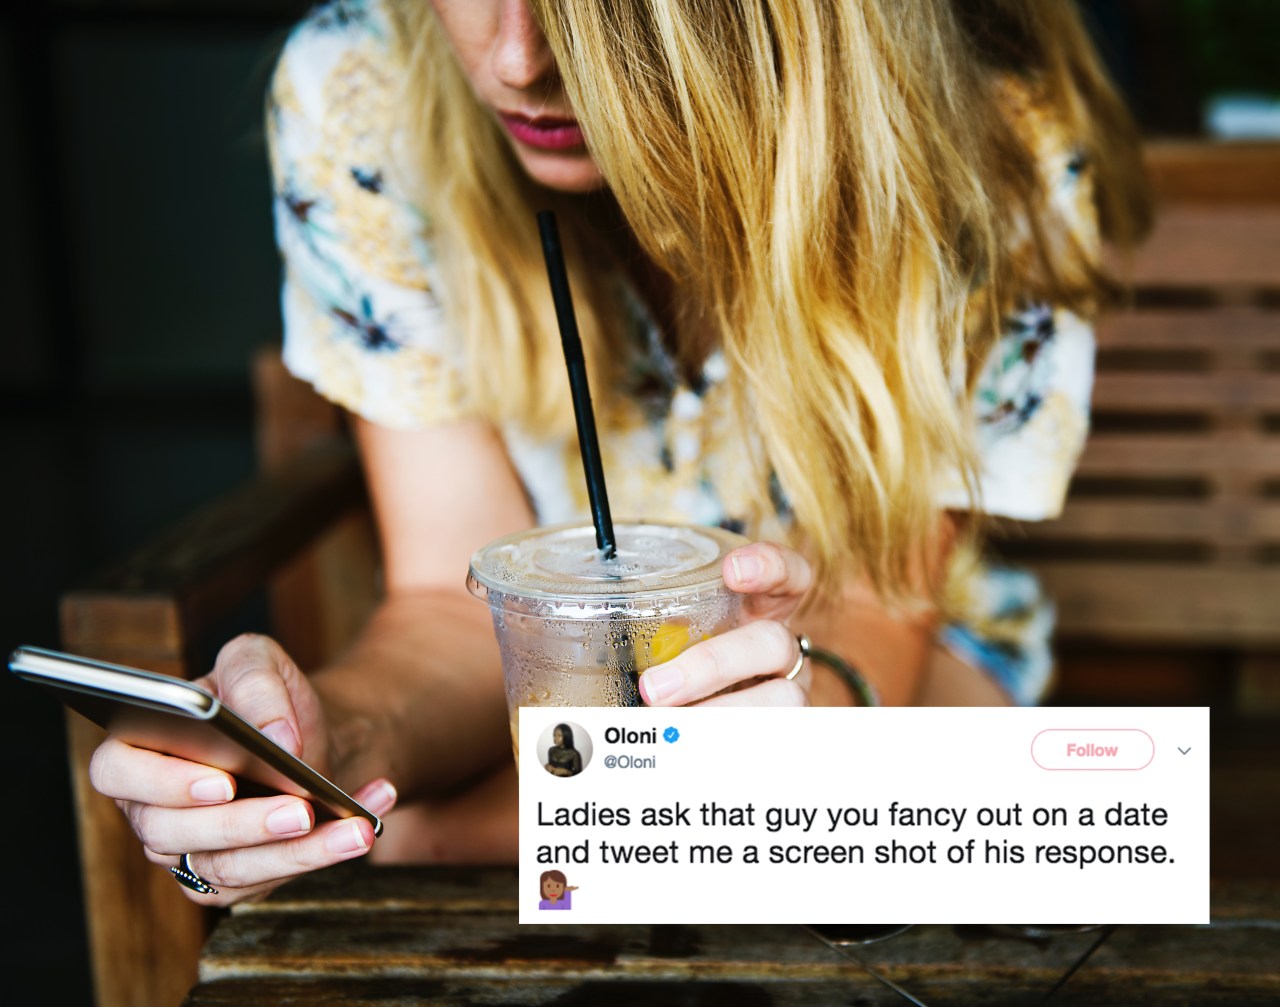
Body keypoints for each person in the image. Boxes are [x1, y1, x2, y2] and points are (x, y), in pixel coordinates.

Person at [88, 0, 1150, 905]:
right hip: (557, 723)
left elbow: (879, 609)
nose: (515, 60)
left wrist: (794, 725)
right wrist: (331, 745)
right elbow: (456, 604)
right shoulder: (361, 88)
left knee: (433, 844)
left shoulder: (986, 137)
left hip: (879, 676)